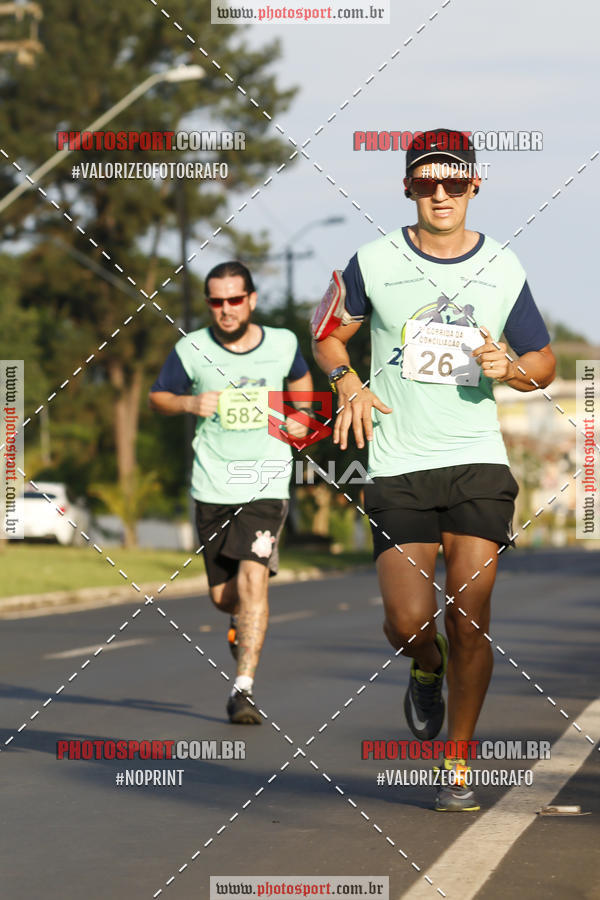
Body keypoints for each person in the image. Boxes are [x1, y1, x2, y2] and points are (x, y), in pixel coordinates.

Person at [312, 130, 555, 810]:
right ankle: (425, 668)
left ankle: (458, 763)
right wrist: (347, 383)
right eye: (426, 182)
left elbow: (543, 362)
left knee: (470, 613)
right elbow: (328, 331)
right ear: (407, 188)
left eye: (453, 182)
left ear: (475, 185)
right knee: (408, 619)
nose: (440, 194)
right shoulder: (374, 260)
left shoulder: (504, 266)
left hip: (477, 459)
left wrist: (515, 371)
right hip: (398, 463)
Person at [150, 261, 313, 724]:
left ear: (251, 300)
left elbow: (301, 380)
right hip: (212, 485)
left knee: (253, 580)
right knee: (225, 598)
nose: (226, 309)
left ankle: (243, 689)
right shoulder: (193, 349)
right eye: (217, 302)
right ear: (209, 305)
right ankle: (237, 624)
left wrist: (299, 416)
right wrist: (187, 402)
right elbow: (157, 396)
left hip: (266, 482)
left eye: (234, 300)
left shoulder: (282, 343)